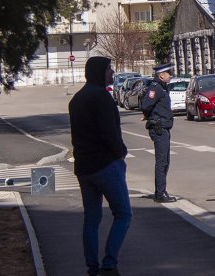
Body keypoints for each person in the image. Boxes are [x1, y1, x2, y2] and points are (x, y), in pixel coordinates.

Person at [68, 56, 132, 276]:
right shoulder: (101, 97)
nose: (112, 73)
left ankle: (92, 267)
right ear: (99, 72)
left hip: (84, 167)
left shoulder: (76, 99)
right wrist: (120, 154)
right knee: (123, 214)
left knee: (92, 219)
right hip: (106, 165)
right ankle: (109, 263)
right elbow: (109, 133)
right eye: (108, 69)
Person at [140, 63, 177, 203]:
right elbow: (146, 104)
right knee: (162, 162)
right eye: (169, 73)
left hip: (164, 128)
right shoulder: (156, 88)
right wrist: (150, 115)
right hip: (159, 128)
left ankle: (160, 191)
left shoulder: (162, 87)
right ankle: (160, 193)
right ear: (161, 75)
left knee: (165, 161)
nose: (171, 75)